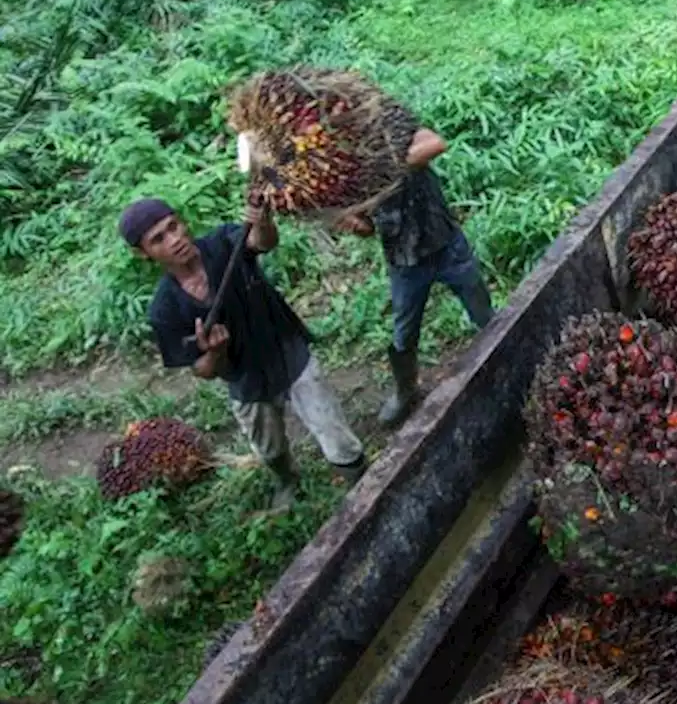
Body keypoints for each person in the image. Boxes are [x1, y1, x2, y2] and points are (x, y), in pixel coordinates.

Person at [119, 195, 368, 509]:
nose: (175, 239)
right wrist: (216, 353)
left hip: (287, 351)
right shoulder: (165, 310)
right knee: (269, 447)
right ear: (143, 253)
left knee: (332, 428)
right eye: (159, 239)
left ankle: (359, 482)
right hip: (245, 380)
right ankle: (287, 480)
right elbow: (203, 370)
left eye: (174, 226)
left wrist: (262, 221)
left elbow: (262, 242)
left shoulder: (223, 242)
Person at [332, 127, 495, 428]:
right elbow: (367, 228)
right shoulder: (349, 177)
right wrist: (355, 222)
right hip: (405, 262)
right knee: (404, 332)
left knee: (482, 309)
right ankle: (406, 390)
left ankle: (503, 356)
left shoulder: (395, 132)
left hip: (445, 244)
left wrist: (383, 168)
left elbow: (436, 143)